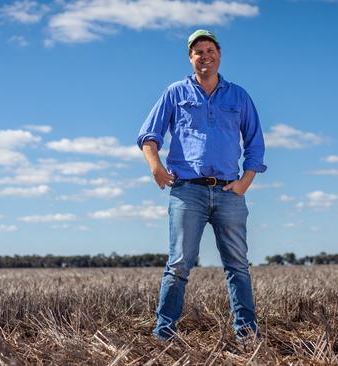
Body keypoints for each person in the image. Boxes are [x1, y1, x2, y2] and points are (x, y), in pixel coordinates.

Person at [137, 29, 267, 340]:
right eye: (198, 52)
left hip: (228, 192)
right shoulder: (175, 93)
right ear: (190, 58)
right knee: (179, 265)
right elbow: (148, 136)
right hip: (187, 191)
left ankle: (247, 334)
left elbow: (255, 143)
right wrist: (155, 167)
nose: (204, 56)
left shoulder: (238, 96)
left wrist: (245, 182)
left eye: (209, 50)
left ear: (219, 55)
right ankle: (164, 334)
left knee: (238, 266)